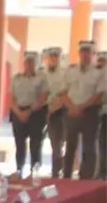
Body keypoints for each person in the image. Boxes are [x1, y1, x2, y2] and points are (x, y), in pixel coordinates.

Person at [62, 40, 106, 179]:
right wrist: (72, 107)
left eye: (88, 53)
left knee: (89, 147)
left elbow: (99, 94)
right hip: (71, 111)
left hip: (90, 112)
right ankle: (66, 176)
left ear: (93, 54)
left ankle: (86, 178)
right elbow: (63, 92)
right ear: (79, 53)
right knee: (69, 146)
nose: (85, 55)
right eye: (83, 52)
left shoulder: (99, 72)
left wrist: (82, 107)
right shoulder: (70, 70)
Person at [9, 51, 49, 176]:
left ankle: (34, 170)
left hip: (35, 113)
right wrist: (18, 112)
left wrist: (29, 111)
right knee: (19, 143)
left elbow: (43, 96)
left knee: (35, 143)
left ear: (35, 63)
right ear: (24, 63)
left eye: (31, 62)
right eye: (27, 62)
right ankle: (19, 169)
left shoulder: (41, 77)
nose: (29, 64)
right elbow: (11, 97)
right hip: (18, 112)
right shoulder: (16, 78)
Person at [41, 47, 69, 177]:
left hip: (60, 110)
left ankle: (57, 170)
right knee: (46, 141)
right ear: (47, 58)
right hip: (43, 109)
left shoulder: (65, 73)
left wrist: (57, 104)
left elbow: (67, 91)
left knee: (59, 142)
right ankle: (51, 169)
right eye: (51, 56)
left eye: (56, 56)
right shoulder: (41, 73)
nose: (53, 58)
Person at [97, 51, 107, 178]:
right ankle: (100, 171)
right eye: (100, 61)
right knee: (99, 144)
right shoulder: (93, 75)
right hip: (94, 114)